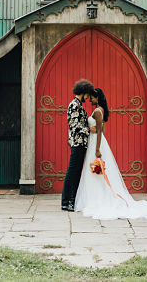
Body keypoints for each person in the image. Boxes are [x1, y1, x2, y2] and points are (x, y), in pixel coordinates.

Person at [75, 87, 147, 219]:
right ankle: (96, 195)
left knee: (96, 170)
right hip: (95, 142)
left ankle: (98, 197)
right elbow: (101, 130)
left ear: (97, 97)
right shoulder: (100, 110)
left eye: (92, 97)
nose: (90, 99)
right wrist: (92, 131)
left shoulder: (98, 112)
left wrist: (97, 149)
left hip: (96, 144)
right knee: (96, 171)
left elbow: (99, 132)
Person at [61, 79, 95, 212]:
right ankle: (66, 201)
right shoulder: (74, 105)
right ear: (83, 92)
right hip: (77, 143)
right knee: (72, 172)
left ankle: (72, 200)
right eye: (87, 94)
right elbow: (74, 126)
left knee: (76, 172)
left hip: (81, 143)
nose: (88, 97)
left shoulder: (79, 105)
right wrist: (89, 130)